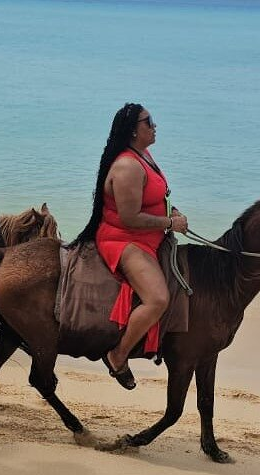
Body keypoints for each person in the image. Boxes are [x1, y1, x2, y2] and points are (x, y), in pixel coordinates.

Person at [72, 103, 188, 390]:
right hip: (123, 239)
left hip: (148, 236)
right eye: (149, 121)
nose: (154, 125)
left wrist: (170, 212)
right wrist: (169, 224)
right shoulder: (127, 166)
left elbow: (153, 198)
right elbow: (130, 218)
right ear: (134, 130)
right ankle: (118, 354)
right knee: (158, 299)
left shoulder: (144, 155)